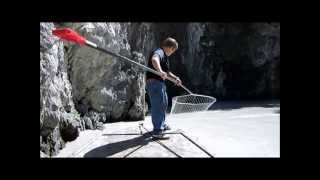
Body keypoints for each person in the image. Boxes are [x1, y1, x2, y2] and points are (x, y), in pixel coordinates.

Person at [146, 37, 182, 139]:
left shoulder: (165, 58)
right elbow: (154, 60)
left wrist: (175, 78)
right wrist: (160, 71)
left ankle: (162, 124)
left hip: (160, 83)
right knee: (158, 104)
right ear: (170, 47)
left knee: (164, 103)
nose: (173, 52)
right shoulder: (160, 52)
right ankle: (157, 130)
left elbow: (167, 72)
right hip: (154, 82)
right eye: (173, 50)